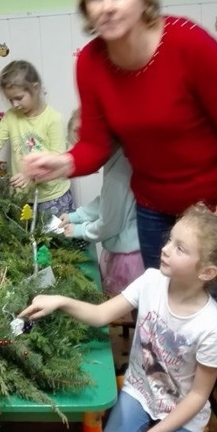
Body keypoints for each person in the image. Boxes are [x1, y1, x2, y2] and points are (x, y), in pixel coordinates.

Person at [19, 204, 217, 432]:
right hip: (140, 393)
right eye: (169, 241)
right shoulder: (152, 281)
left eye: (179, 248)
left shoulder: (211, 325)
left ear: (206, 272)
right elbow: (101, 315)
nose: (165, 249)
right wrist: (60, 301)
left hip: (181, 412)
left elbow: (197, 397)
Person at [23, 0, 217, 268]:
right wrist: (63, 162)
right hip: (153, 209)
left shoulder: (189, 43)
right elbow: (95, 146)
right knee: (164, 311)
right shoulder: (90, 62)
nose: (107, 6)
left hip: (211, 206)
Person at [59, 109, 143, 296]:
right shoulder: (119, 158)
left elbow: (109, 225)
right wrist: (76, 216)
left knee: (131, 308)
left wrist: (79, 230)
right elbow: (106, 201)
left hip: (128, 259)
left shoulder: (117, 175)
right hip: (128, 251)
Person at [0, 60, 75, 216]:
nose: (14, 104)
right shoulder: (11, 117)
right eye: (10, 100)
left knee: (56, 239)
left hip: (52, 197)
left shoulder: (53, 119)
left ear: (35, 88)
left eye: (19, 98)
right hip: (23, 198)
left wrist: (30, 174)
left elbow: (57, 157)